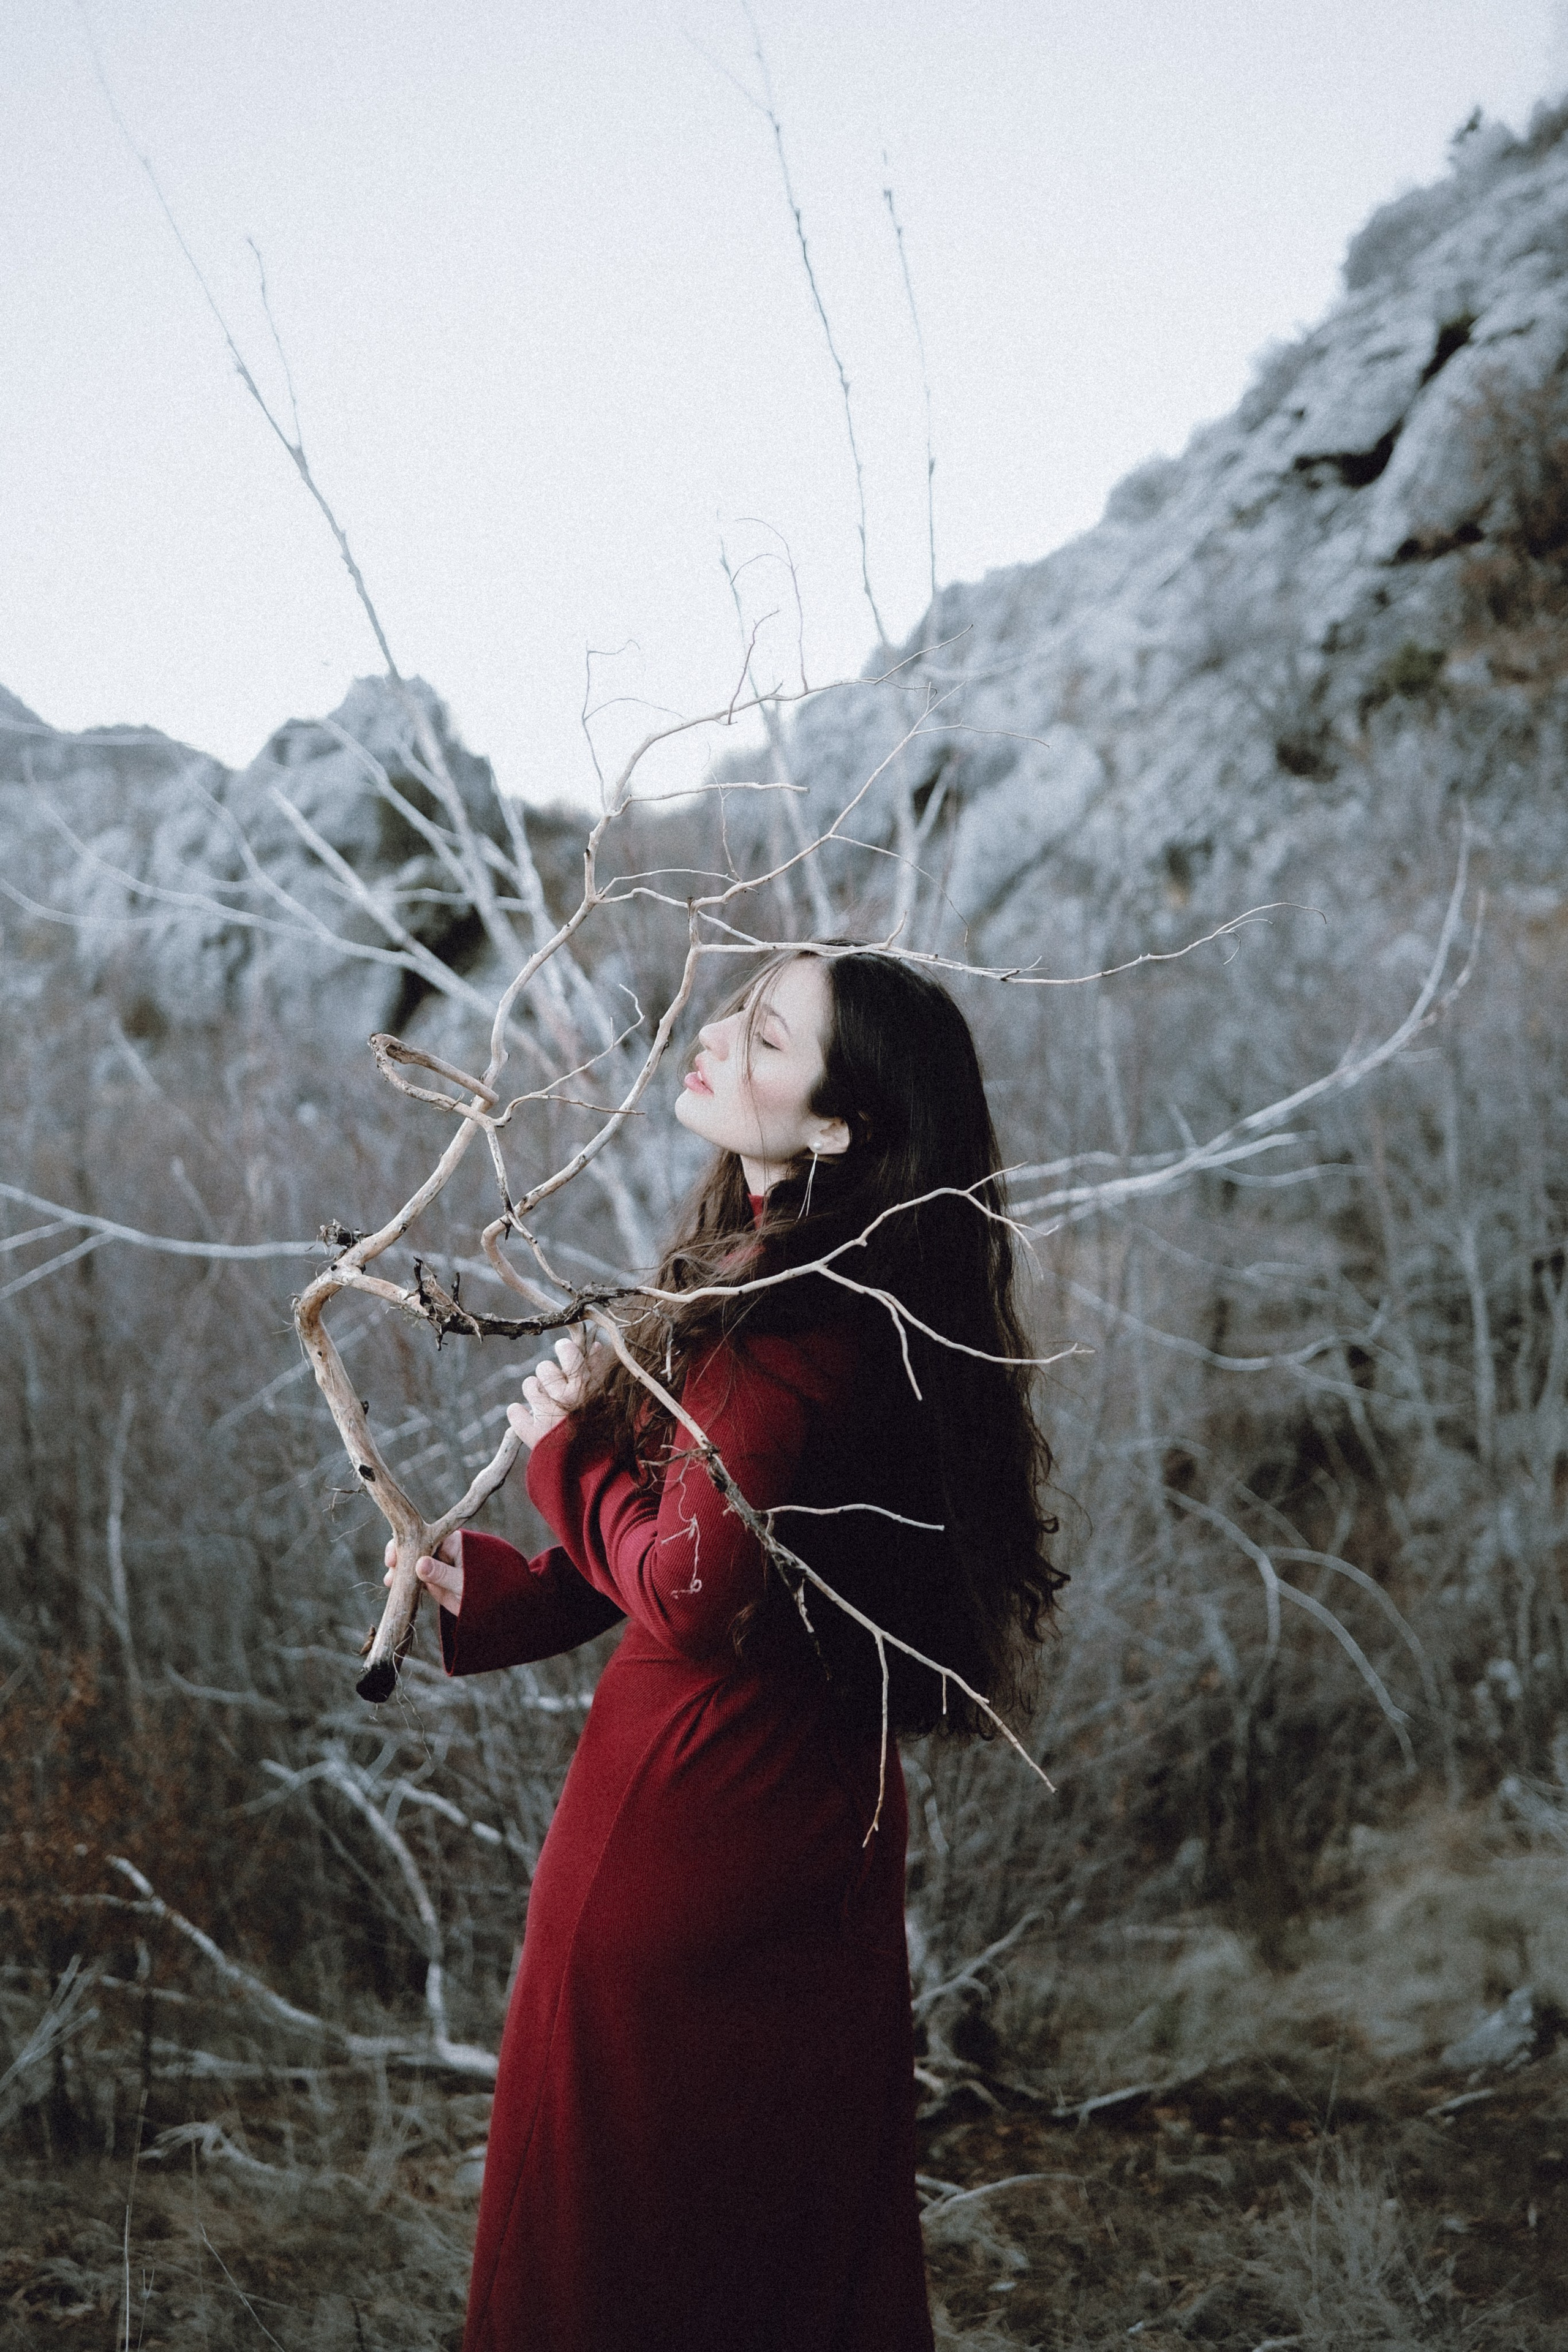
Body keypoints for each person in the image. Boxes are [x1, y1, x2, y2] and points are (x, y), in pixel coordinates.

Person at [387, 947, 1061, 2352]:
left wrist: (562, 1446)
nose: (712, 1039)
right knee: (772, 2237)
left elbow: (689, 1589)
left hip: (688, 1832)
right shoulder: (846, 1299)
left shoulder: (790, 1334)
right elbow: (694, 1552)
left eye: (764, 1037)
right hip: (806, 1829)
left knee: (617, 2249)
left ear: (837, 1126)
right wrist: (489, 1596)